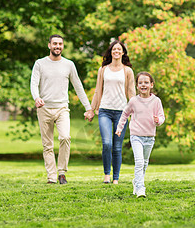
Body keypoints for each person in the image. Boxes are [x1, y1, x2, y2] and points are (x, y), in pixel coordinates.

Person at [30, 34, 94, 184]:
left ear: (62, 46)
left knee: (65, 137)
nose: (57, 46)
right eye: (55, 44)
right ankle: (51, 176)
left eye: (60, 44)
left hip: (62, 108)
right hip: (44, 108)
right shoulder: (40, 64)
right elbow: (34, 83)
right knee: (47, 145)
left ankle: (62, 172)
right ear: (49, 45)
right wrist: (36, 97)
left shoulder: (69, 65)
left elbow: (78, 86)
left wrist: (88, 108)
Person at [89, 40, 136, 184]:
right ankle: (106, 175)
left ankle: (116, 178)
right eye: (114, 49)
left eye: (119, 49)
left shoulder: (127, 71)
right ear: (111, 52)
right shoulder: (103, 69)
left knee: (117, 147)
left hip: (122, 113)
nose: (116, 51)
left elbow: (131, 92)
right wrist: (92, 110)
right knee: (107, 144)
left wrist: (135, 112)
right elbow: (98, 90)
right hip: (104, 110)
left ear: (123, 53)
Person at [115, 72, 165, 198]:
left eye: (146, 82)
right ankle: (141, 188)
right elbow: (125, 114)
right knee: (139, 161)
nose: (143, 85)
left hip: (150, 137)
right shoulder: (133, 101)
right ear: (137, 86)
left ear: (151, 85)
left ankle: (136, 181)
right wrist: (120, 128)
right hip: (136, 136)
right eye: (140, 83)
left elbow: (161, 116)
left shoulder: (156, 101)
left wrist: (158, 121)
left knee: (145, 163)